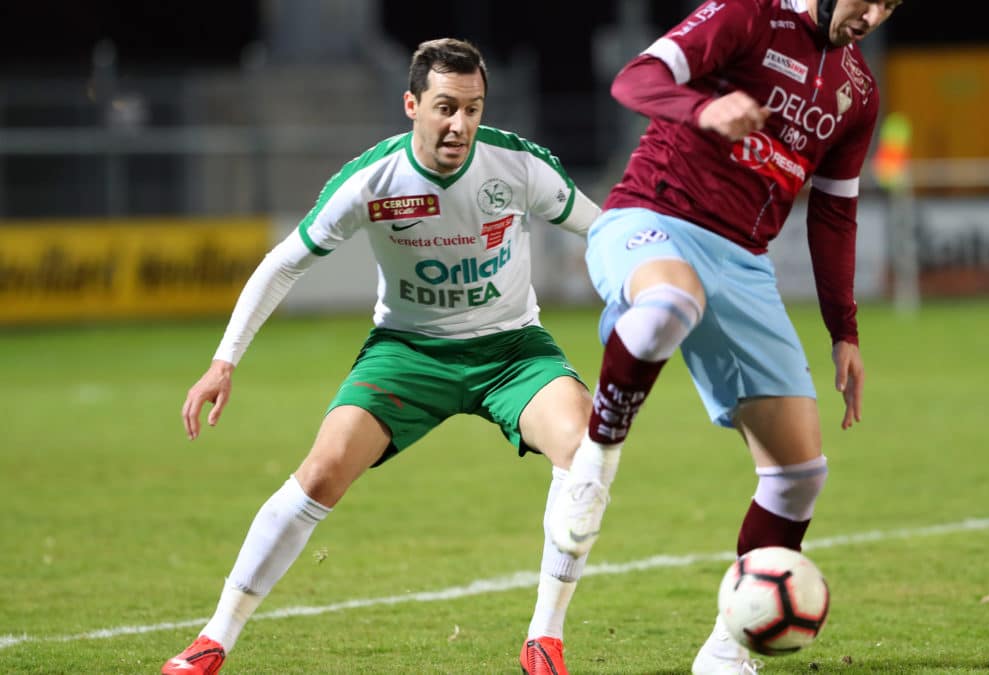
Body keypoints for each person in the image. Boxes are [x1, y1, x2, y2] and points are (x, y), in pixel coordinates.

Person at [163, 38, 602, 675]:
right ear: (412, 105)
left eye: (473, 108)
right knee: (320, 473)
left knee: (584, 453)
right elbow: (282, 264)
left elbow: (607, 229)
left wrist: (647, 283)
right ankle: (214, 639)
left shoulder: (518, 167)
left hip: (512, 351)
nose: (461, 125)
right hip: (407, 351)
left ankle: (545, 639)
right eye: (446, 107)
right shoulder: (373, 179)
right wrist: (224, 360)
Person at [546, 1, 903, 673]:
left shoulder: (858, 91)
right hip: (652, 216)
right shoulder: (747, 15)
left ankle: (727, 651)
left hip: (743, 262)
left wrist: (844, 330)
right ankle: (593, 465)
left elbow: (834, 212)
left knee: (799, 474)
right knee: (670, 300)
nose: (873, 15)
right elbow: (635, 79)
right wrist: (703, 110)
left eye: (889, 6)